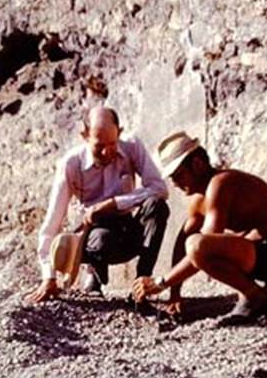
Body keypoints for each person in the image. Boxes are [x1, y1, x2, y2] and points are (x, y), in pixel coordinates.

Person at [132, 131, 267, 323]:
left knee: (197, 246)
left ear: (197, 165)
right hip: (255, 253)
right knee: (193, 243)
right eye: (172, 178)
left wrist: (161, 282)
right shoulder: (199, 199)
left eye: (179, 175)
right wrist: (175, 294)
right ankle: (252, 293)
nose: (176, 184)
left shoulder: (221, 183)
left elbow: (202, 246)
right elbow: (183, 240)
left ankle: (254, 296)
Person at [28, 105, 169, 303]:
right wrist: (48, 277)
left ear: (119, 132)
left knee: (157, 205)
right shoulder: (71, 164)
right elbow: (52, 224)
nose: (106, 152)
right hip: (93, 236)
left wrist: (113, 204)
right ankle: (93, 272)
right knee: (101, 239)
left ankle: (141, 284)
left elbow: (160, 189)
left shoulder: (132, 147)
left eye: (112, 143)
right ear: (84, 135)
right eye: (98, 145)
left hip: (127, 230)